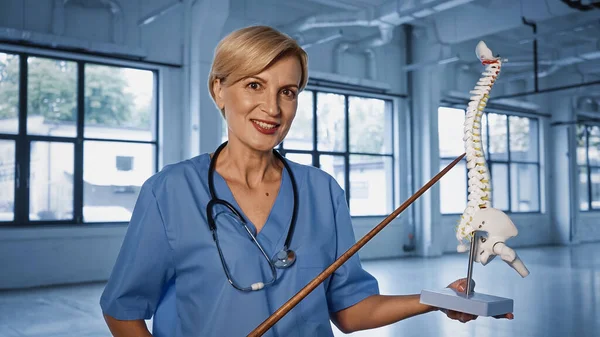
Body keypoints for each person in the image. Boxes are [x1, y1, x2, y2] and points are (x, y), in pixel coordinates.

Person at [100, 25, 512, 337]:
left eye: (288, 91)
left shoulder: (322, 192)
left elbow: (351, 310)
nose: (272, 107)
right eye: (254, 85)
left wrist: (437, 300)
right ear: (219, 89)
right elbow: (123, 308)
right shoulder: (171, 190)